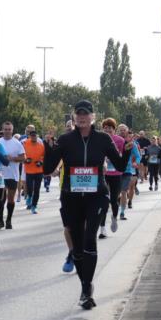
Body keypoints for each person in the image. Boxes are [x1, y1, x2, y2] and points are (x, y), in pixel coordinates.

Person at [42, 101, 127, 309]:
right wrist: (49, 148)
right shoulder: (65, 139)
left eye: (86, 114)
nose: (82, 117)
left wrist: (129, 150)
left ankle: (87, 288)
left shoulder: (103, 139)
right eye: (78, 114)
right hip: (71, 196)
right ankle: (84, 285)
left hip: (96, 195)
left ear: (93, 117)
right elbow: (47, 168)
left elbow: (120, 165)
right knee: (78, 244)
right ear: (73, 116)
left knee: (90, 238)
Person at [97, 118, 125, 239]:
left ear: (114, 129)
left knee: (114, 200)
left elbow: (123, 156)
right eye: (105, 128)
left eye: (110, 128)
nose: (107, 130)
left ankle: (114, 217)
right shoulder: (99, 139)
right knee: (103, 201)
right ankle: (102, 228)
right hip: (103, 174)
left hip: (116, 174)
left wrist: (114, 156)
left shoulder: (120, 140)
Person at [0, 122, 26, 230]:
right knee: (0, 198)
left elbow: (23, 158)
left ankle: (8, 220)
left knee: (10, 199)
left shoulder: (17, 143)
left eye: (9, 129)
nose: (7, 131)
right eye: (5, 129)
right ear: (2, 130)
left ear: (12, 130)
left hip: (13, 175)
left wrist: (12, 158)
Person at [22, 125, 45, 213]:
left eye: (35, 136)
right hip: (29, 170)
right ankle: (29, 197)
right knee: (30, 188)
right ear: (30, 136)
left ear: (37, 136)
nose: (33, 137)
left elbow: (44, 156)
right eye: (32, 136)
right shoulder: (25, 144)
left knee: (37, 189)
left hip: (39, 170)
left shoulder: (41, 145)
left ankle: (34, 206)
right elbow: (22, 154)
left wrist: (41, 162)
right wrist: (25, 160)